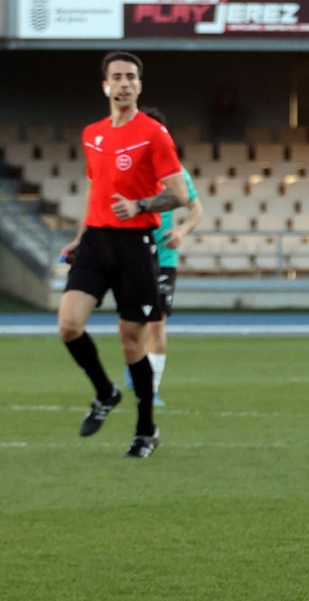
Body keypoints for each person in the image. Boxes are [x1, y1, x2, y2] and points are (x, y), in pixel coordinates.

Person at [56, 52, 189, 459]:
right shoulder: (92, 134)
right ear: (106, 86)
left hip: (135, 245)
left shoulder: (154, 134)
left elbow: (179, 195)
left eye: (131, 77)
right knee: (69, 325)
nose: (124, 83)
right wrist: (80, 236)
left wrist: (141, 205)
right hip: (96, 242)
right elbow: (95, 188)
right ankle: (105, 392)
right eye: (117, 77)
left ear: (140, 86)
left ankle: (146, 430)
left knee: (132, 342)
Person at [120, 108, 204, 408]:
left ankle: (150, 388)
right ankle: (136, 363)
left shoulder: (177, 173)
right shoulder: (128, 168)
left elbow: (197, 210)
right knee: (134, 323)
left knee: (157, 321)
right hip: (134, 251)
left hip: (165, 256)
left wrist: (181, 230)